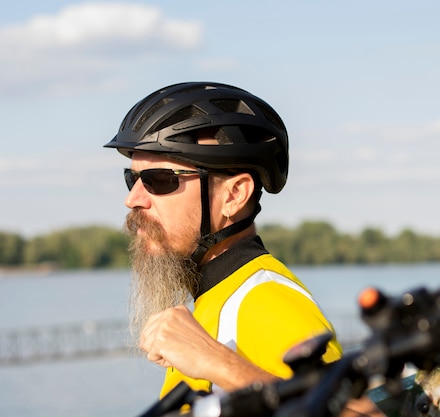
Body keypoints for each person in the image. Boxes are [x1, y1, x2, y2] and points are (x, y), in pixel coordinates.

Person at [104, 82, 383, 416]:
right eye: (131, 179)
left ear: (234, 196)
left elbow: (362, 414)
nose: (133, 199)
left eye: (160, 180)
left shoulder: (264, 299)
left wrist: (217, 362)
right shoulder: (219, 297)